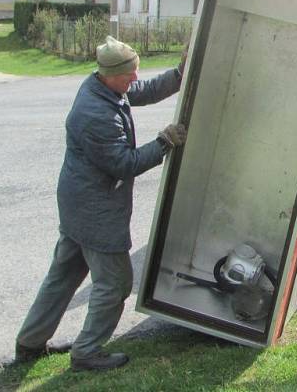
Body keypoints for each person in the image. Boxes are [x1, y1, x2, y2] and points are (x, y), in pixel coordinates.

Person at [15, 36, 188, 371]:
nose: (135, 79)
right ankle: (87, 352)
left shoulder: (104, 86)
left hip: (79, 203)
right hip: (95, 209)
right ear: (111, 75)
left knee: (63, 275)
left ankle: (29, 343)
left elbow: (141, 90)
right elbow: (124, 164)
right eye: (130, 74)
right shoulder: (95, 113)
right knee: (115, 283)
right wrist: (164, 142)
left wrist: (180, 74)